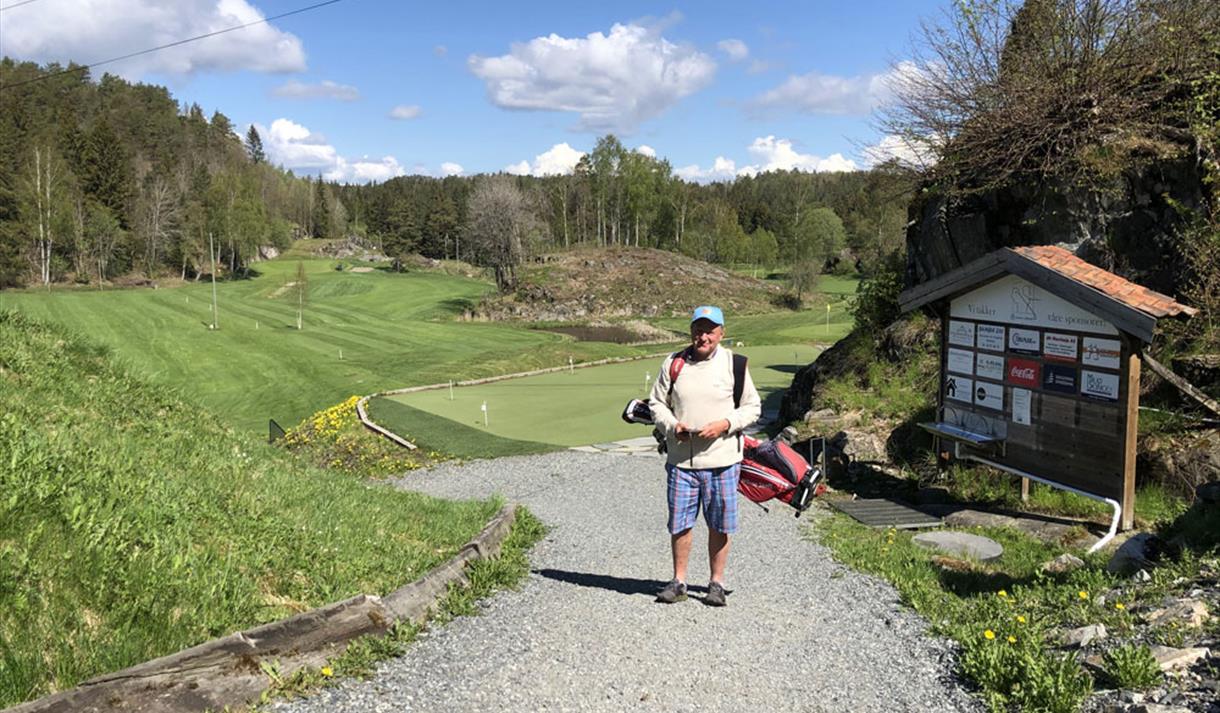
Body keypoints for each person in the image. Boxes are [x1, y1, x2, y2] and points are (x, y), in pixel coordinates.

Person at [648, 305, 761, 606]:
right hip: (682, 462)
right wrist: (673, 426)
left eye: (710, 330)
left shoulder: (734, 364)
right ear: (691, 331)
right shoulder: (673, 363)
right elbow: (656, 403)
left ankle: (717, 584)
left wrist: (725, 424)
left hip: (723, 461)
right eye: (698, 328)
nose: (703, 335)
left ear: (721, 333)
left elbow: (752, 408)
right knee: (680, 523)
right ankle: (679, 581)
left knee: (720, 524)